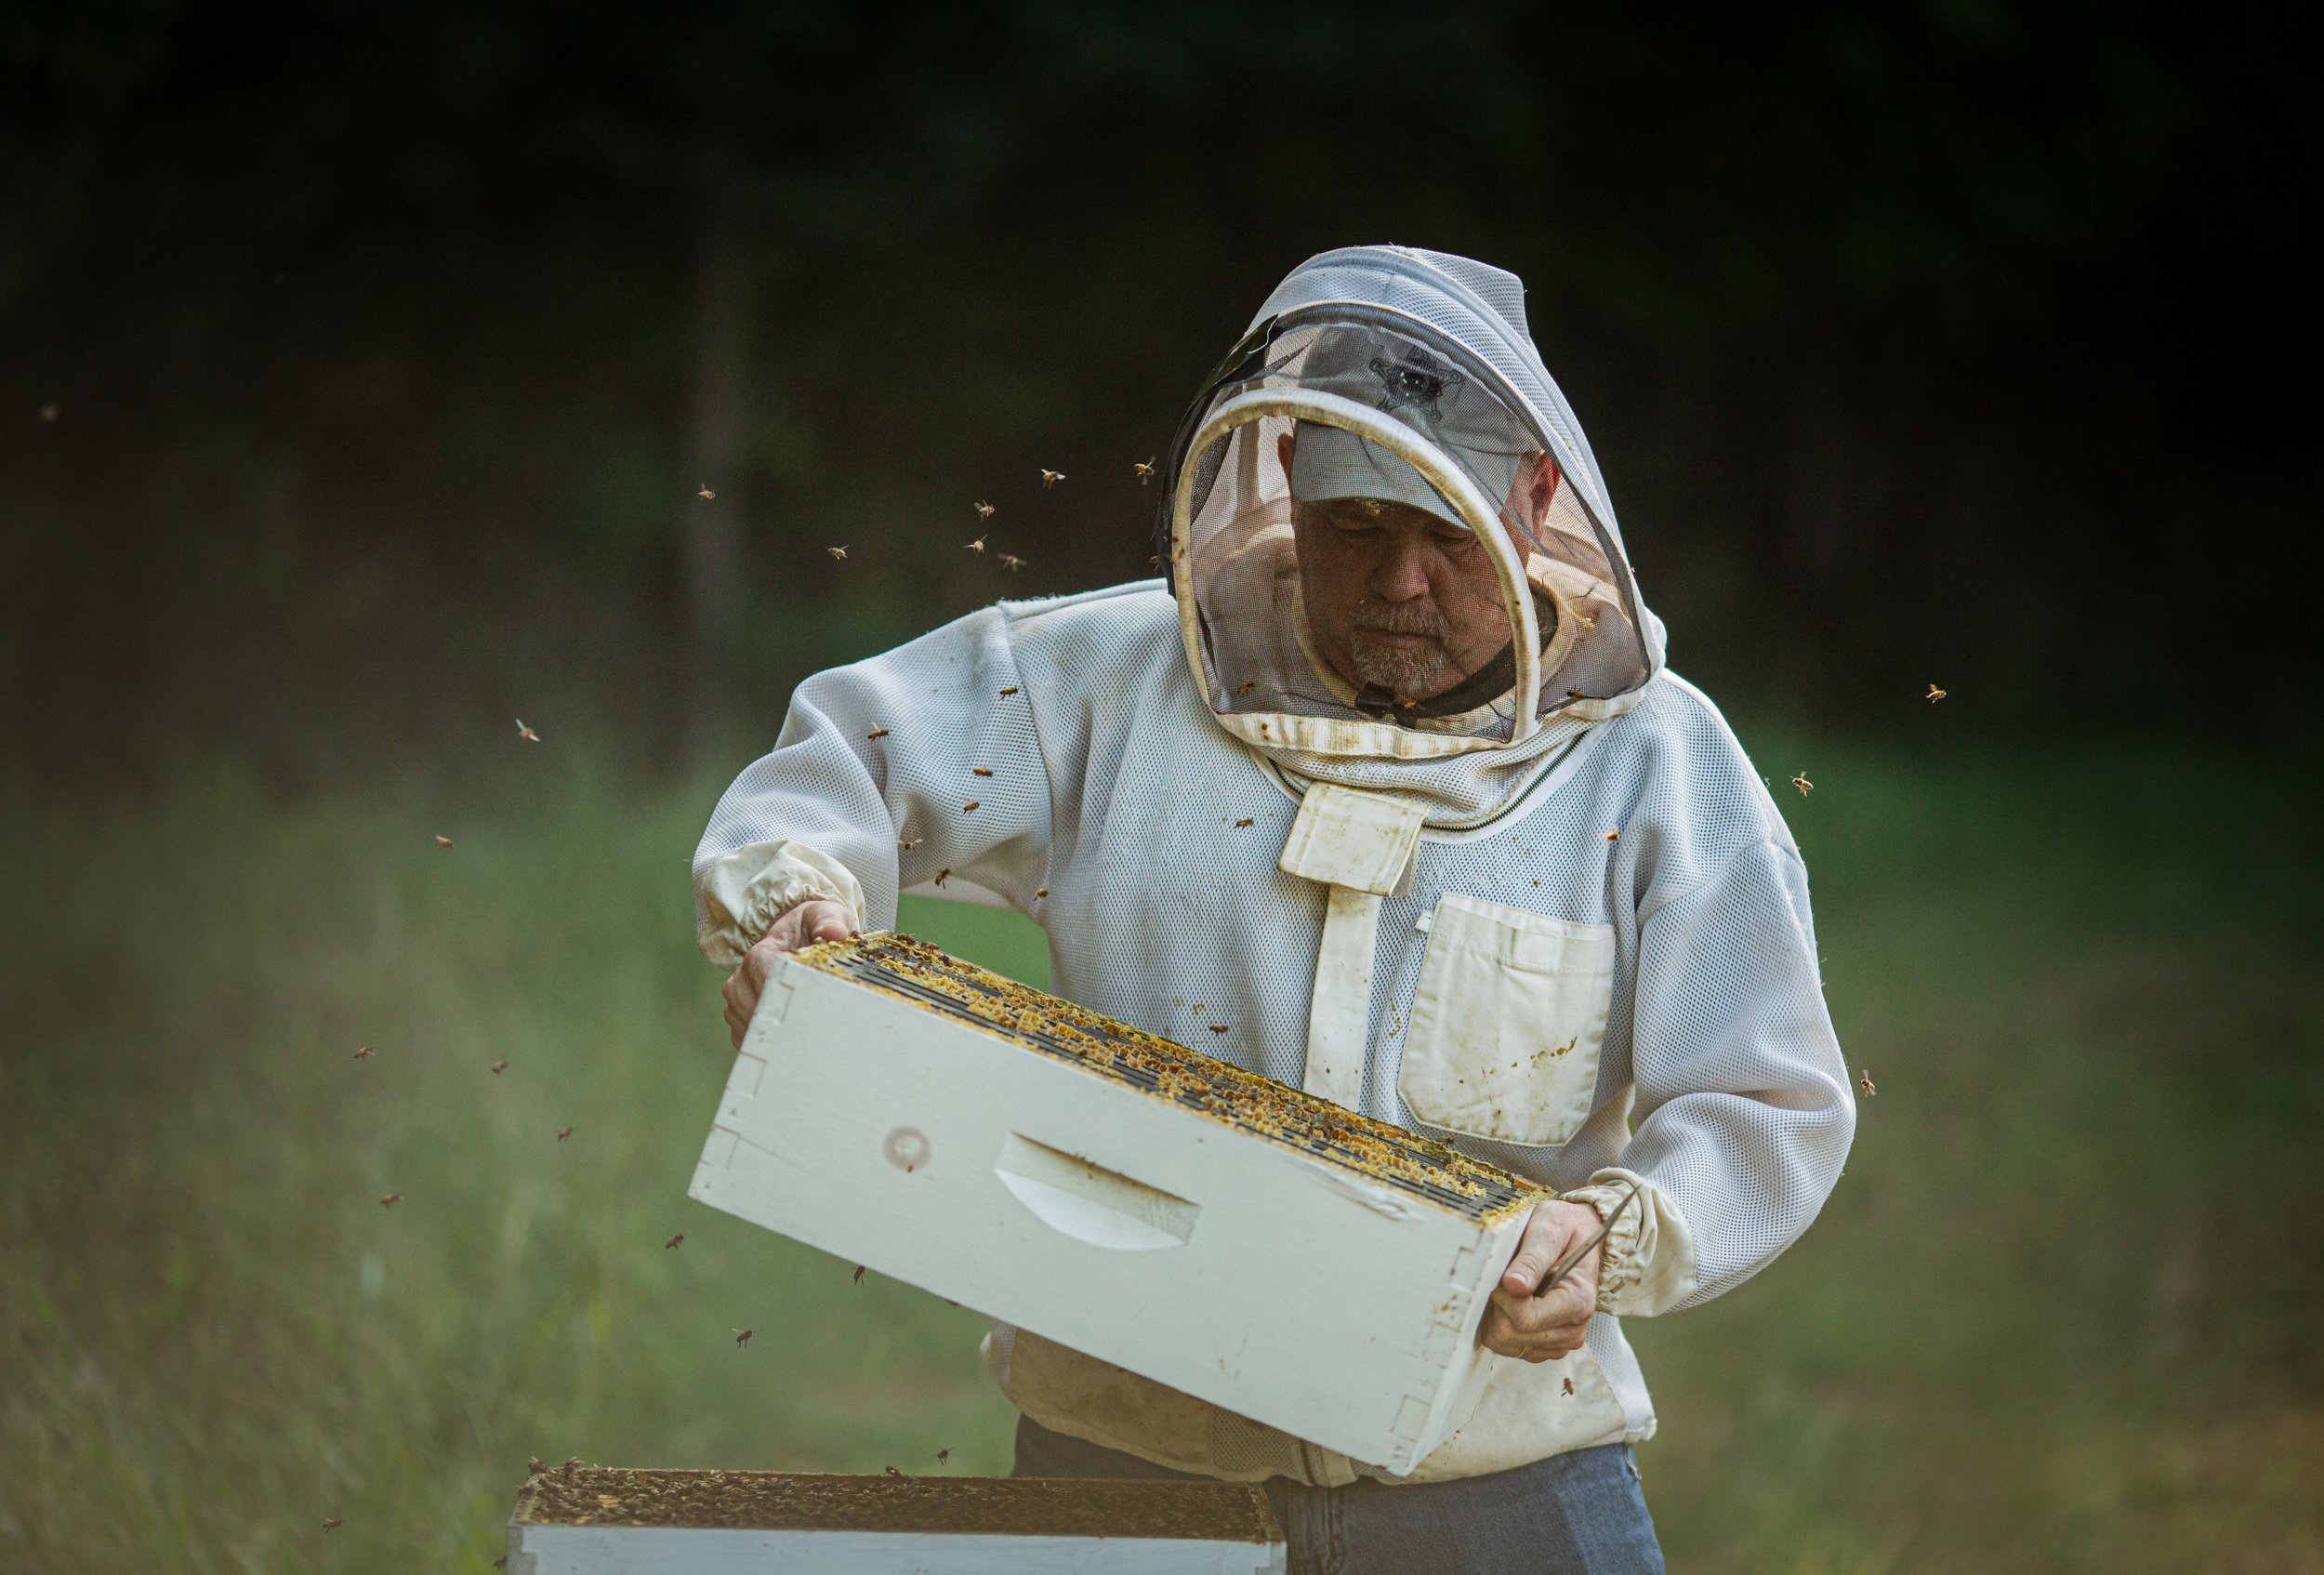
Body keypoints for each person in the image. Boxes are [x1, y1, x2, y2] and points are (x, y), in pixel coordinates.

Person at [693, 245, 1855, 1574]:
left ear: (1537, 498)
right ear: (1288, 471)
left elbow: (1769, 1096)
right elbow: (845, 760)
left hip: (1493, 1471)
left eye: (1446, 533)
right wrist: (800, 908)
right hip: (1124, 1455)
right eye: (1359, 527)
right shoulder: (1105, 680)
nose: (1403, 580)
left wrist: (1607, 1229)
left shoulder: (1658, 763)